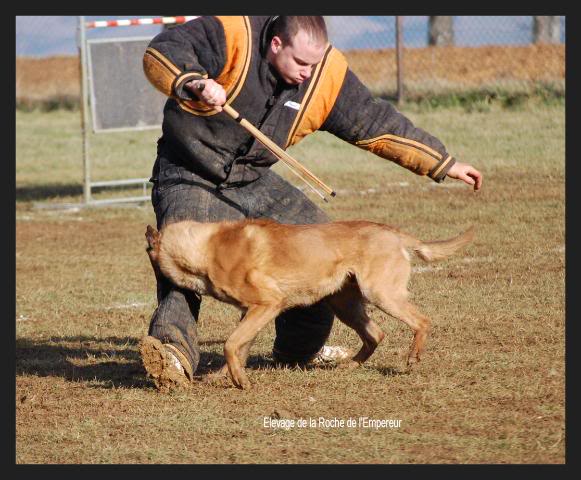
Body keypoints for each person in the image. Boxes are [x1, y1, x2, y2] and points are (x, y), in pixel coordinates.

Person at [139, 16, 483, 390]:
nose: (307, 72)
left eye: (314, 64)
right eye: (300, 62)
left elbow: (373, 121)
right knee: (184, 264)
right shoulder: (234, 30)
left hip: (253, 177)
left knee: (319, 253)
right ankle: (171, 356)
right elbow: (163, 50)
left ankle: (296, 352)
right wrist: (195, 81)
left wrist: (443, 163)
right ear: (275, 45)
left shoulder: (324, 73)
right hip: (188, 169)